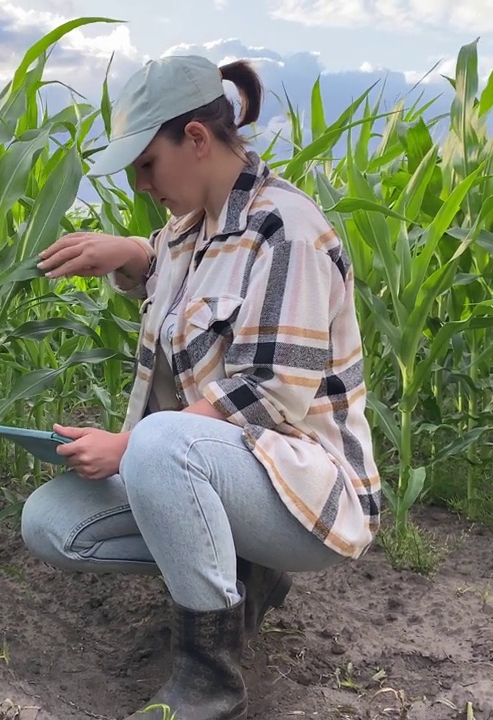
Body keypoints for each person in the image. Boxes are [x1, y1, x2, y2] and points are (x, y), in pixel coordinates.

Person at [20, 54, 382, 720]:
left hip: (304, 490)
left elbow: (270, 396)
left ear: (195, 139)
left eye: (147, 163)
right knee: (52, 524)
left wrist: (128, 447)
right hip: (222, 471)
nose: (139, 182)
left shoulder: (287, 231)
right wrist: (133, 253)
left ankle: (208, 679)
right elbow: (182, 271)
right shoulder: (192, 228)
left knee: (158, 442)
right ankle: (246, 574)